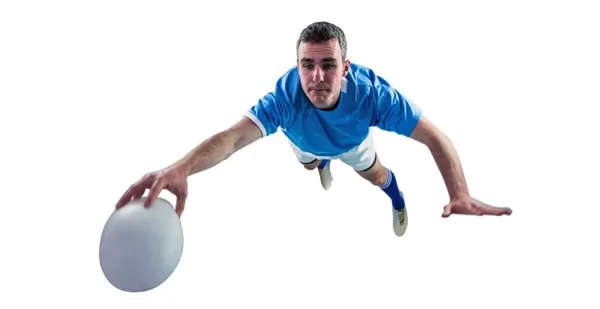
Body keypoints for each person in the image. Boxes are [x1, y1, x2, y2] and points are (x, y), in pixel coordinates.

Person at [115, 21, 512, 237]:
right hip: (303, 140)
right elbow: (233, 138)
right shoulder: (285, 99)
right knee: (309, 165)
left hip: (353, 141)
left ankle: (396, 197)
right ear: (298, 64)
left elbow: (435, 137)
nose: (317, 76)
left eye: (328, 65)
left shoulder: (374, 96)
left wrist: (459, 193)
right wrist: (182, 166)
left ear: (346, 67)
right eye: (307, 65)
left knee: (374, 175)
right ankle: (320, 163)